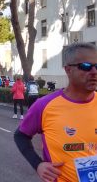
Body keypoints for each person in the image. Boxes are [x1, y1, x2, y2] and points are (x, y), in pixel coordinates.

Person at [14, 42, 97, 182]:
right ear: (68, 70)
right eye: (86, 66)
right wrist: (38, 164)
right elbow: (20, 135)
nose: (94, 72)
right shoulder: (44, 105)